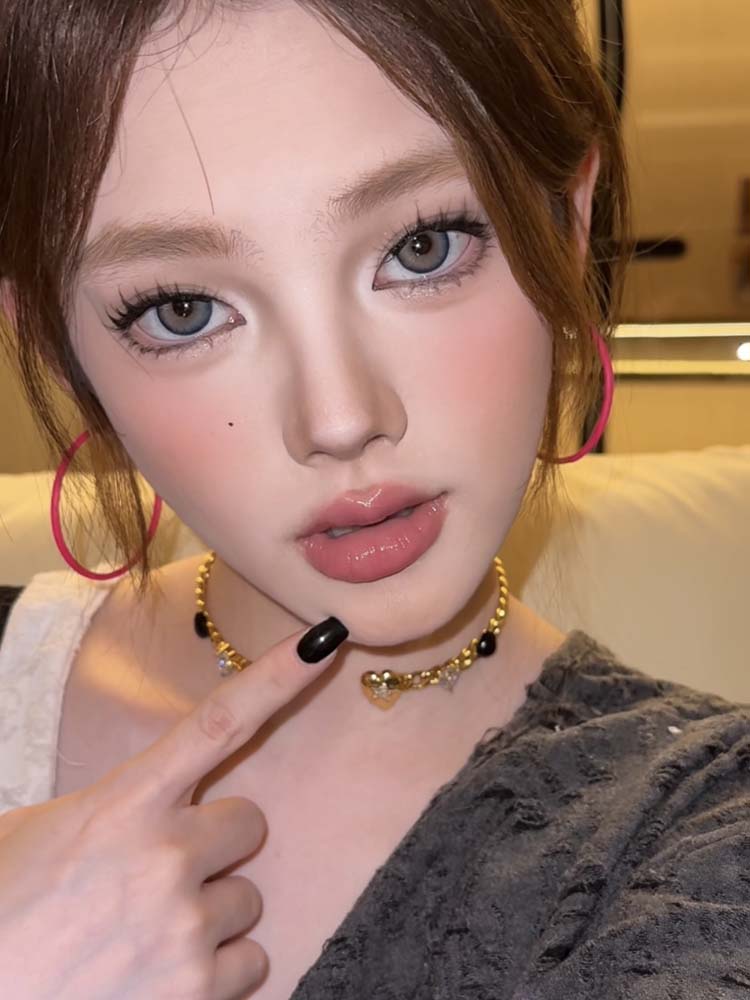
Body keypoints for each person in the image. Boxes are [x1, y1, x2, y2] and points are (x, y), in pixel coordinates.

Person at [0, 1, 748, 997]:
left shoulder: (706, 836)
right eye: (184, 310)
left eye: (422, 248)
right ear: (59, 348)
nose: (342, 418)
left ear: (567, 225)